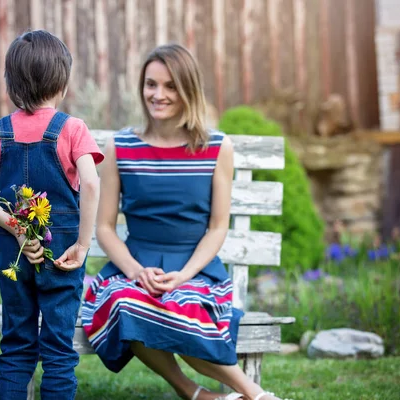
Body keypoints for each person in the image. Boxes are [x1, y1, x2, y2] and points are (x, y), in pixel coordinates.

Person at [81, 44, 288, 400]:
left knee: (184, 306)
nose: (158, 95)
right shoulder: (120, 147)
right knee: (127, 304)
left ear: (188, 89)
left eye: (170, 86)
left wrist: (186, 274)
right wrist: (135, 272)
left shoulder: (217, 148)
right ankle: (195, 393)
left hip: (197, 269)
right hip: (134, 269)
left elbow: (218, 227)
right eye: (151, 84)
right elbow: (104, 228)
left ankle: (251, 393)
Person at [0, 30, 103, 400]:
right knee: (58, 350)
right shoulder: (72, 129)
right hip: (62, 254)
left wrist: (17, 230)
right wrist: (84, 244)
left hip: (13, 256)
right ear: (63, 81)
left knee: (16, 346)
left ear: (11, 83)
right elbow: (90, 184)